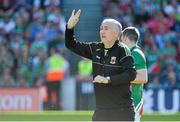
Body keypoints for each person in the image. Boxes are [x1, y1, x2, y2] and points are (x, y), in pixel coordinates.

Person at [65, 9, 136, 121]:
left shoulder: (123, 50)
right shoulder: (95, 48)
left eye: (106, 28)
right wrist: (69, 27)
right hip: (101, 110)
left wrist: (108, 80)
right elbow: (71, 45)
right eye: (101, 28)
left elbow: (131, 74)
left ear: (117, 33)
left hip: (122, 110)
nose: (102, 31)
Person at [121, 26, 148, 122]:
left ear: (125, 38)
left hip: (133, 103)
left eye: (121, 39)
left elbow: (143, 78)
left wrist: (120, 78)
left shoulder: (136, 53)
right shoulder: (130, 53)